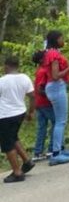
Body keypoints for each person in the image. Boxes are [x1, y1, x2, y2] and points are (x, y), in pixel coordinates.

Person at [41, 30, 69, 165]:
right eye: (61, 38)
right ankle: (56, 153)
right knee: (60, 121)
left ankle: (60, 148)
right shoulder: (54, 54)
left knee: (59, 120)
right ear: (56, 39)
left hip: (54, 87)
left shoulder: (51, 52)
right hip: (56, 87)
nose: (63, 40)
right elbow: (55, 75)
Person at [0, 54, 35, 183]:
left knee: (7, 144)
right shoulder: (25, 78)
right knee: (13, 137)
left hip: (5, 116)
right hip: (20, 112)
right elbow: (32, 96)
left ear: (7, 66)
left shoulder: (2, 81)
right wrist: (31, 112)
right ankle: (27, 161)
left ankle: (17, 172)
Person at [31, 51, 54, 161]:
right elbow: (40, 89)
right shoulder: (43, 71)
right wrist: (51, 96)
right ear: (41, 60)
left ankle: (38, 152)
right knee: (56, 122)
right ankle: (51, 149)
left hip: (38, 103)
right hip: (44, 102)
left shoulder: (39, 70)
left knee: (42, 127)